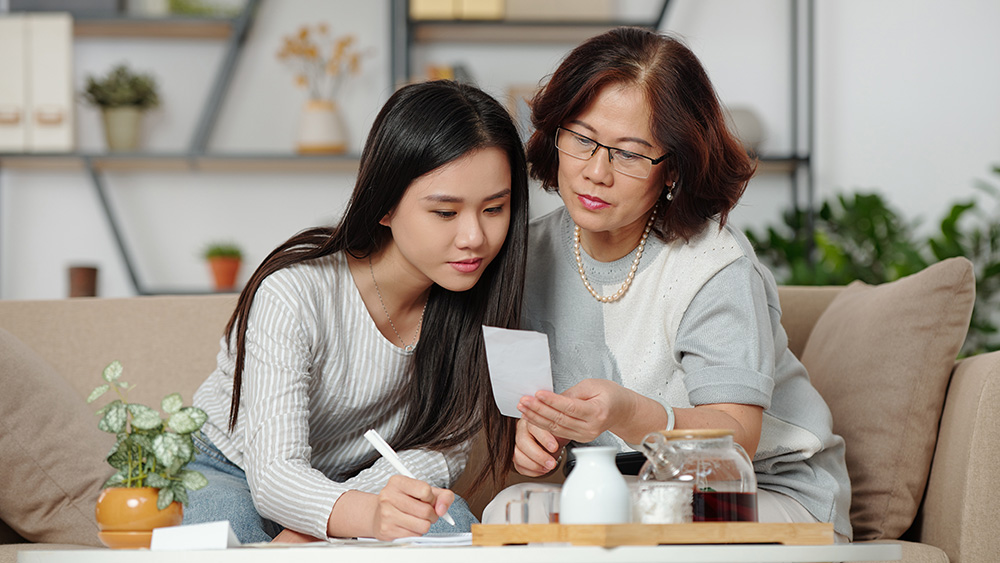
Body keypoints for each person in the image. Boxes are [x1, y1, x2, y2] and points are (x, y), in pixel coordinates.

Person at [483, 27, 852, 541]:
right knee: (509, 510)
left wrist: (631, 412)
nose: (595, 172)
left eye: (630, 154)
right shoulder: (526, 253)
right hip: (633, 491)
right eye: (582, 139)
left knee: (645, 525)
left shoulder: (713, 266)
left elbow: (737, 439)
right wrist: (538, 437)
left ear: (672, 169)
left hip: (763, 492)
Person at [184, 80, 525, 544]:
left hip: (355, 481)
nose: (474, 237)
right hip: (231, 466)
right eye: (445, 213)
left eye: (494, 208)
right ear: (384, 205)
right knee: (233, 538)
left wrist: (334, 521)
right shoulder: (294, 293)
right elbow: (274, 475)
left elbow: (440, 450)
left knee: (454, 526)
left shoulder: (483, 295)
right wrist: (354, 518)